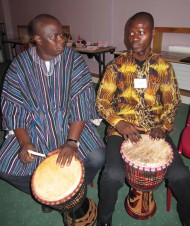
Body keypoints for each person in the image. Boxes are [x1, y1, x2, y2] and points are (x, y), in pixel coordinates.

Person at [0, 14, 105, 214]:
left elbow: (81, 103)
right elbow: (13, 107)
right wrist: (24, 142)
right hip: (33, 126)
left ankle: (76, 189)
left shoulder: (75, 61)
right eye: (54, 37)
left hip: (70, 123)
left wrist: (72, 142)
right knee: (5, 167)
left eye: (62, 35)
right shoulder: (19, 66)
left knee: (99, 156)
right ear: (38, 39)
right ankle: (49, 196)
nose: (62, 41)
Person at [95, 11, 190, 226]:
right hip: (121, 131)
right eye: (131, 32)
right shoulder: (116, 67)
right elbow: (102, 102)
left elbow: (173, 103)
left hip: (154, 131)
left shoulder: (164, 68)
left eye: (140, 32)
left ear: (152, 33)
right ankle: (104, 220)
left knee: (181, 176)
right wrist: (119, 122)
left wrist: (163, 126)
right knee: (111, 175)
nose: (134, 38)